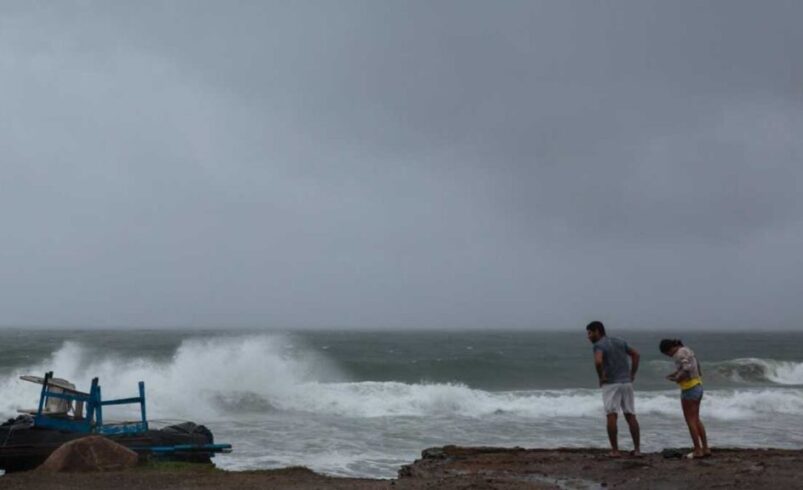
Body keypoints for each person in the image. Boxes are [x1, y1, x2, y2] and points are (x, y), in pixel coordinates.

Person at [586, 321, 641, 457]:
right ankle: (637, 449)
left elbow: (598, 361)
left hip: (611, 384)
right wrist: (632, 373)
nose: (588, 336)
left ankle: (615, 450)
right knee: (630, 414)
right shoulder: (620, 341)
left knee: (611, 415)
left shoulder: (599, 345)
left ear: (597, 331)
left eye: (590, 333)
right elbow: (636, 354)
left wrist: (601, 376)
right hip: (626, 383)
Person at [660, 338, 711, 459]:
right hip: (698, 385)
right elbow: (694, 367)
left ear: (670, 348)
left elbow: (686, 368)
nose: (669, 356)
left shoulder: (679, 353)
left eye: (668, 353)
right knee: (696, 419)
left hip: (689, 388)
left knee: (690, 421)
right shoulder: (687, 350)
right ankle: (705, 448)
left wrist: (677, 378)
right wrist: (675, 373)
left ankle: (697, 450)